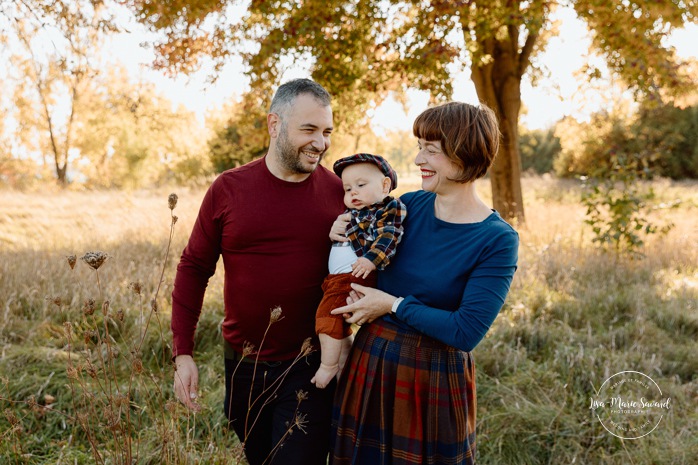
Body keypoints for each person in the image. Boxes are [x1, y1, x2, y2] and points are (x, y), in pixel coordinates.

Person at [329, 101, 519, 465]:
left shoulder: (496, 239)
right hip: (371, 359)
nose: (418, 160)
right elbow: (358, 253)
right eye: (419, 147)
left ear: (464, 155)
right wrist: (341, 233)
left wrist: (393, 304)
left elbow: (465, 332)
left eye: (431, 150)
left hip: (433, 376)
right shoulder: (406, 207)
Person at [171, 78, 345, 465]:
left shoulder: (340, 195)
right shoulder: (229, 189)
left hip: (310, 366)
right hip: (242, 367)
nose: (321, 142)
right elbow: (194, 267)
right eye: (309, 130)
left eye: (327, 131)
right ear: (274, 124)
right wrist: (183, 353)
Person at [311, 154, 406, 389]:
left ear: (384, 185)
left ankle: (328, 365)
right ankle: (344, 366)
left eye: (361, 186)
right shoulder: (353, 213)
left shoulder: (386, 208)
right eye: (348, 188)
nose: (353, 193)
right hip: (337, 279)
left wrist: (371, 260)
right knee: (341, 328)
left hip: (353, 276)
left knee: (326, 317)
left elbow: (389, 235)